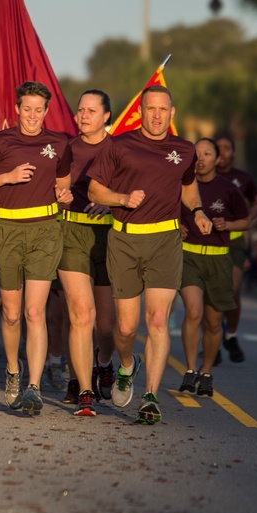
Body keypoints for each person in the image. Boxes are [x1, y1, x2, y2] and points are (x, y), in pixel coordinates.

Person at [87, 84, 211, 425]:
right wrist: (123, 199)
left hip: (165, 241)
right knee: (125, 329)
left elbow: (187, 185)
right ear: (141, 112)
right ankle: (127, 366)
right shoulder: (119, 144)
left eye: (163, 110)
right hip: (125, 241)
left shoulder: (184, 150)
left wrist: (198, 210)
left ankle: (151, 396)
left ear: (172, 114)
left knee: (157, 321)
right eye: (151, 109)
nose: (157, 115)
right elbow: (95, 189)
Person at [0, 81, 72, 416]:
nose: (32, 115)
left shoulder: (58, 143)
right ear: (16, 108)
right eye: (26, 108)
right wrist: (6, 178)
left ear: (46, 111)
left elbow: (62, 183)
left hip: (44, 231)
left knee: (34, 312)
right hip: (7, 230)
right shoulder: (1, 141)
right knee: (12, 314)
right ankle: (14, 371)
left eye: (38, 109)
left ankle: (34, 387)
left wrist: (64, 195)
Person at [58, 90, 117, 417]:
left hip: (109, 236)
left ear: (106, 116)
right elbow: (55, 183)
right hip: (72, 234)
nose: (83, 116)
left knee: (106, 326)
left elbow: (135, 191)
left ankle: (103, 364)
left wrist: (112, 200)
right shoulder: (67, 147)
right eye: (80, 110)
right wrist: (59, 194)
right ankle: (82, 387)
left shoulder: (119, 149)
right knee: (81, 313)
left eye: (91, 111)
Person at [177, 138, 249, 398]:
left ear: (217, 159)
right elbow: (166, 210)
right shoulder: (182, 185)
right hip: (188, 257)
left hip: (219, 259)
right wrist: (178, 225)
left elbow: (245, 221)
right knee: (193, 311)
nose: (201, 158)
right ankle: (190, 368)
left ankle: (206, 372)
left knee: (214, 321)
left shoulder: (228, 189)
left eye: (207, 154)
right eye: (197, 154)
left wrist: (226, 225)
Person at [215, 136, 257, 363]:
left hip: (234, 241)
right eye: (218, 148)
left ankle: (230, 335)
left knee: (233, 290)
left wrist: (247, 220)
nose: (222, 152)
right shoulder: (202, 175)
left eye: (226, 148)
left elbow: (255, 201)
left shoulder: (243, 179)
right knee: (208, 294)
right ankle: (210, 341)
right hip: (208, 239)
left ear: (233, 153)